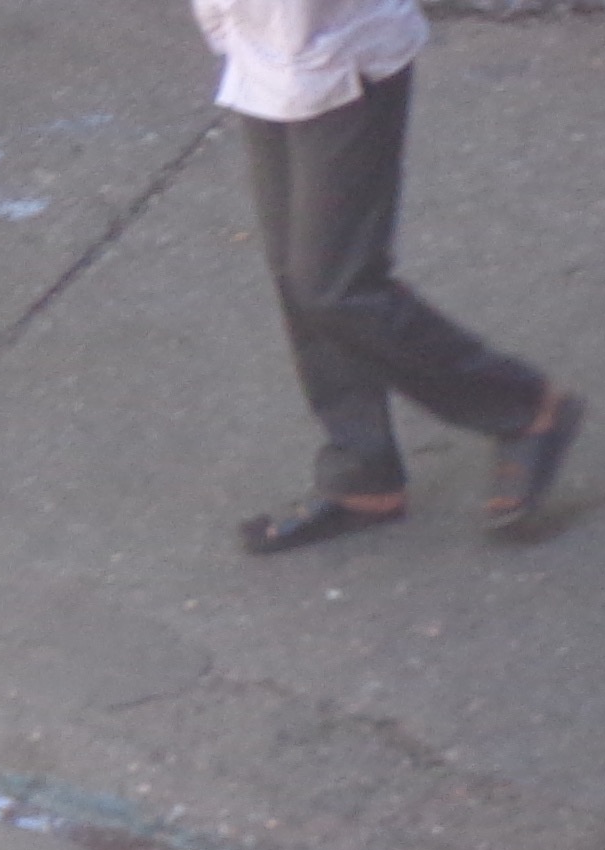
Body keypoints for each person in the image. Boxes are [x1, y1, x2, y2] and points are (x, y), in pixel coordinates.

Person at [199, 0, 583, 554]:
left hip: (340, 49)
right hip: (265, 47)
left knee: (334, 285)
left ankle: (525, 407)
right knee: (296, 270)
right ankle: (362, 472)